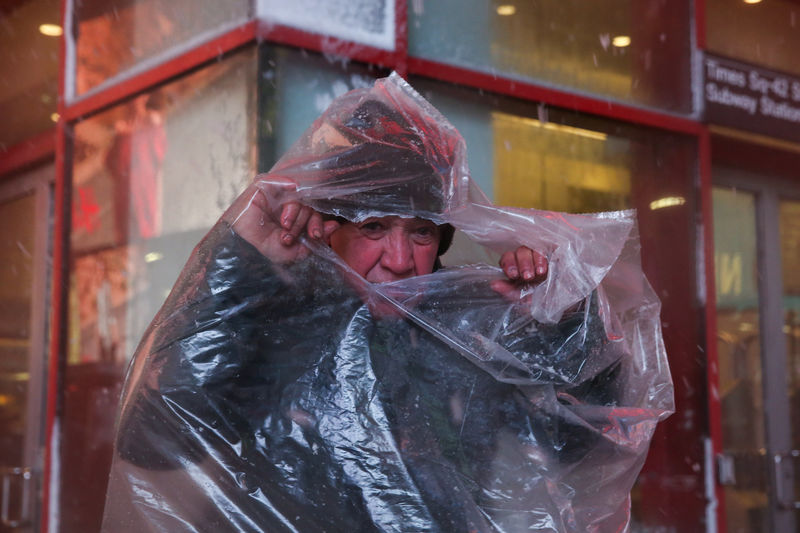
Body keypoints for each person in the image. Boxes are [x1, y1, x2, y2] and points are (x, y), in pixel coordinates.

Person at [101, 74, 673, 532]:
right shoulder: (275, 324)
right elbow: (159, 438)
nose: (400, 259)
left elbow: (581, 444)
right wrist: (241, 264)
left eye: (421, 233)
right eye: (374, 226)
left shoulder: (467, 332)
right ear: (331, 229)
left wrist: (562, 320)